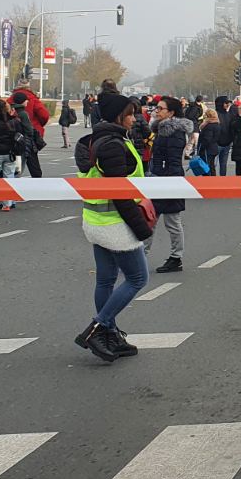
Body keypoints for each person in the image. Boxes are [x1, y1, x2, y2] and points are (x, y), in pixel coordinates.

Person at [75, 92, 154, 363]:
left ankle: (110, 336)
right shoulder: (112, 145)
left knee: (106, 280)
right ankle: (97, 329)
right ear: (119, 116)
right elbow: (120, 194)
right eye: (130, 114)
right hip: (115, 224)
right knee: (138, 278)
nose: (134, 118)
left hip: (96, 221)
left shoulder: (98, 139)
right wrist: (142, 229)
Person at [149, 97, 193, 273]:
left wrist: (168, 183)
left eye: (161, 108)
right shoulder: (161, 130)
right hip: (159, 180)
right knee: (150, 220)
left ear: (171, 112)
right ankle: (140, 256)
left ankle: (176, 258)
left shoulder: (174, 133)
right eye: (157, 107)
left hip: (169, 181)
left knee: (172, 222)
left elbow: (173, 161)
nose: (157, 111)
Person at [9, 80, 50, 177]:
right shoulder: (33, 99)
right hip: (29, 137)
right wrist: (38, 125)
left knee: (16, 160)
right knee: (33, 163)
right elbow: (44, 115)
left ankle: (13, 178)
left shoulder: (10, 99)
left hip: (14, 136)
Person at [195, 107, 222, 172]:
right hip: (214, 148)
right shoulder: (217, 124)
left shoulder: (209, 126)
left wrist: (201, 148)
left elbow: (207, 139)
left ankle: (209, 178)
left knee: (206, 168)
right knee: (211, 166)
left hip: (207, 150)